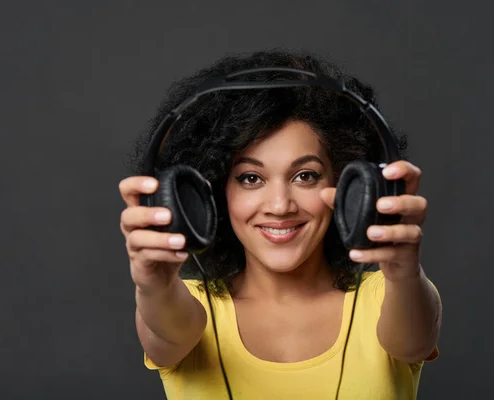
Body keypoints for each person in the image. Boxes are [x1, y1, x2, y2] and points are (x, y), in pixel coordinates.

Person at [119, 49, 442, 399]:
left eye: (305, 176)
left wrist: (404, 269)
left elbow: (413, 342)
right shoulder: (185, 307)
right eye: (250, 178)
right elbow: (166, 333)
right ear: (211, 192)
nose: (279, 205)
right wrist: (153, 282)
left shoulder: (391, 294)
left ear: (348, 187)